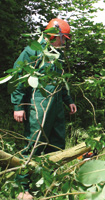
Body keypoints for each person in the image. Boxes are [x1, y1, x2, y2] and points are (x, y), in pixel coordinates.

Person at [12, 18, 77, 200]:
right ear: (54, 35)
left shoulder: (58, 54)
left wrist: (68, 99)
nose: (64, 43)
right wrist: (18, 106)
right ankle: (22, 188)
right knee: (35, 142)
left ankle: (50, 182)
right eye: (62, 38)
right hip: (38, 103)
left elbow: (60, 81)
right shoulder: (33, 51)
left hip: (55, 104)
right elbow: (19, 77)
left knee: (56, 143)